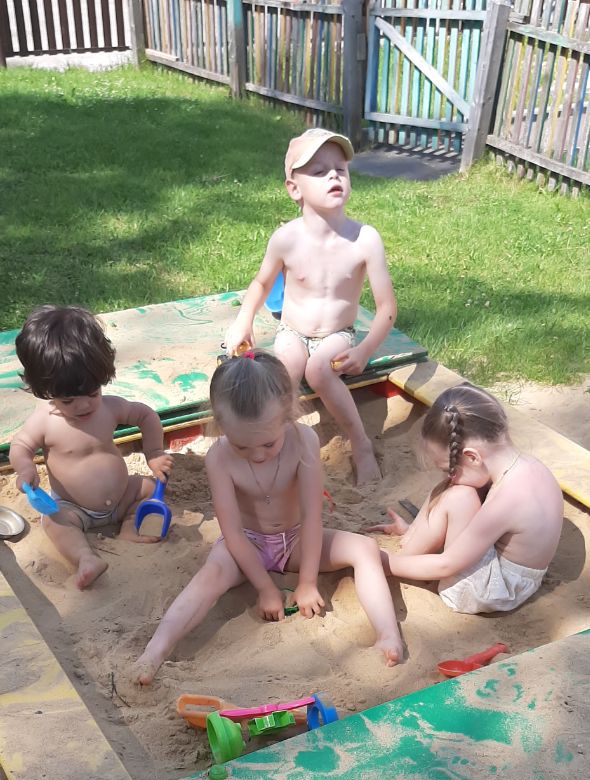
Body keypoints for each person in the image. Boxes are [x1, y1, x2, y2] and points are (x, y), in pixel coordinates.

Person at [134, 352, 402, 683]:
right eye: (242, 447)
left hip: (297, 538)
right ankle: (154, 652)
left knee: (365, 549)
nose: (257, 455)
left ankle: (388, 635)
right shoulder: (218, 457)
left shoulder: (304, 441)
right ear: (220, 425)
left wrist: (307, 582)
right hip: (247, 542)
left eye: (268, 443)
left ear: (289, 412)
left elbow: (312, 516)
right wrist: (265, 587)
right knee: (209, 575)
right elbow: (232, 531)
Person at [223, 128, 397, 487]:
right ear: (294, 189)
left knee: (319, 370)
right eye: (319, 171)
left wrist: (364, 350)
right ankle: (277, 444)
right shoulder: (286, 239)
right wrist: (243, 321)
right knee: (281, 375)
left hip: (337, 335)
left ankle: (360, 443)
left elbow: (387, 308)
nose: (334, 176)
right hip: (292, 331)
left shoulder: (364, 239)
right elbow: (261, 284)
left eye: (340, 169)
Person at [9, 305, 172, 589]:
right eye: (68, 401)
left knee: (148, 487)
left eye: (92, 393)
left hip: (122, 496)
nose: (83, 405)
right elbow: (21, 445)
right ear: (46, 390)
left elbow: (146, 415)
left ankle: (128, 528)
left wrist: (154, 453)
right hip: (75, 508)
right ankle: (86, 558)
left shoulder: (109, 408)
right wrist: (25, 470)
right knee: (54, 521)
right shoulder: (45, 421)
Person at [369, 384, 563, 613]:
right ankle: (415, 536)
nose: (448, 476)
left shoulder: (507, 501)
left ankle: (404, 554)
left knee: (458, 496)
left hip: (492, 590)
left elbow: (446, 565)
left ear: (472, 457)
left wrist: (387, 563)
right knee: (453, 488)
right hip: (524, 578)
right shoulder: (528, 468)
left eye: (449, 469)